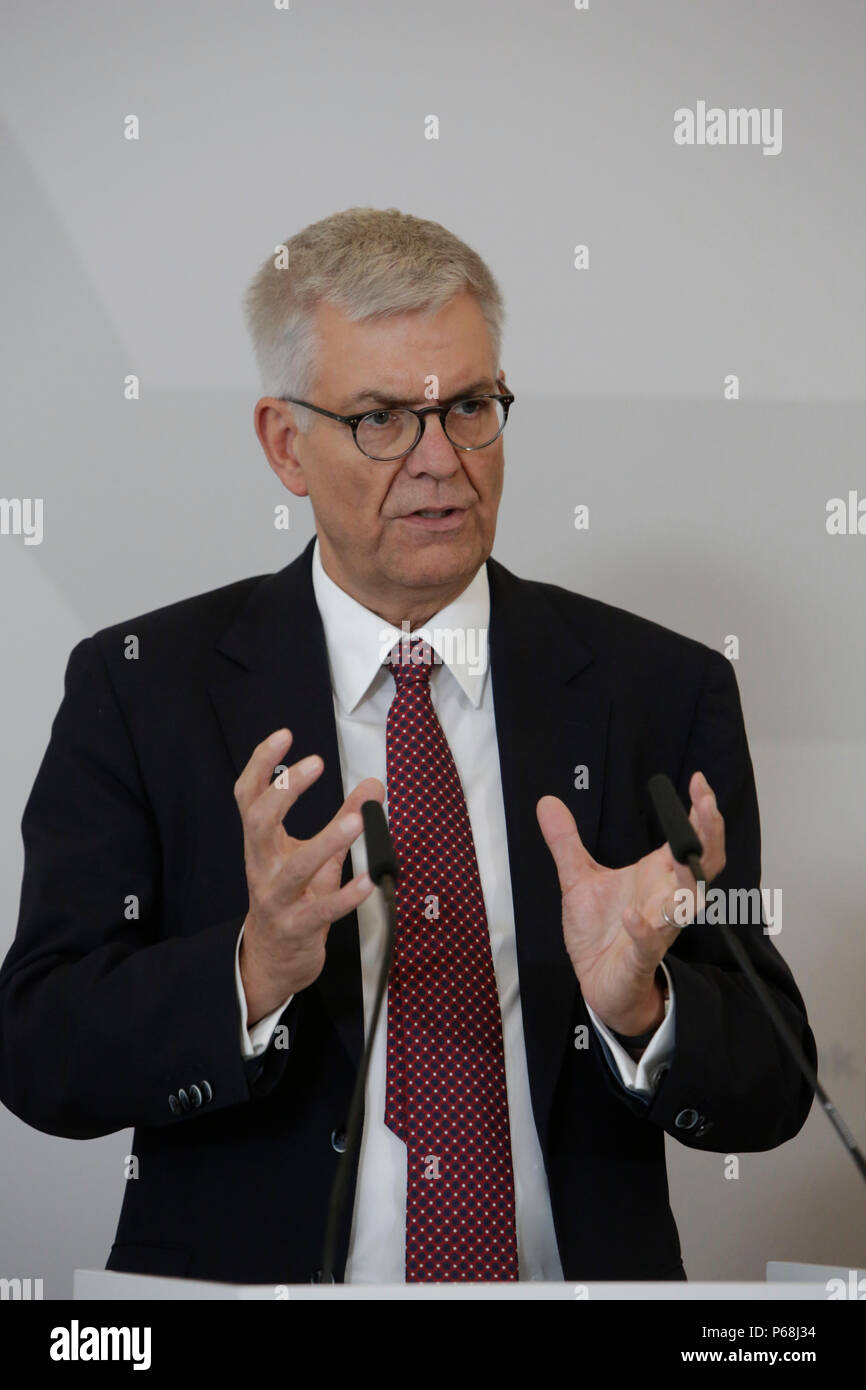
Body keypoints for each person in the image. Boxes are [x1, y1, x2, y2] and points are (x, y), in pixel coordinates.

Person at [0, 207, 815, 1285]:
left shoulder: (657, 690)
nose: (441, 461)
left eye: (470, 407)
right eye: (382, 417)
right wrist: (248, 971)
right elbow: (41, 1049)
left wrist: (641, 1009)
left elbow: (770, 1083)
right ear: (286, 444)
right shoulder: (144, 686)